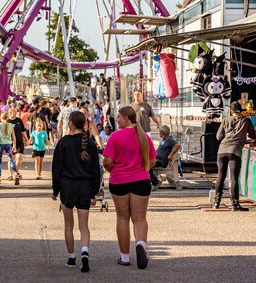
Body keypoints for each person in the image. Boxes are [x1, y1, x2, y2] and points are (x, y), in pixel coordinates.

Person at [103, 106, 156, 270]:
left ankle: (125, 257)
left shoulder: (115, 136)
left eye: (118, 117)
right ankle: (140, 244)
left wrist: (112, 170)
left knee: (122, 218)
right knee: (140, 218)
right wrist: (142, 169)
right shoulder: (144, 137)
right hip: (141, 180)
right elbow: (152, 161)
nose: (116, 120)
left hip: (119, 181)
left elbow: (107, 161)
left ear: (126, 118)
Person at [52, 111, 101, 273]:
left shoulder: (63, 142)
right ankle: (85, 253)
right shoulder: (91, 144)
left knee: (68, 224)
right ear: (84, 124)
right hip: (84, 186)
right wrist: (94, 193)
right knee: (84, 226)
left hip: (67, 186)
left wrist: (55, 190)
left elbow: (56, 169)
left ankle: (72, 257)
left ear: (71, 124)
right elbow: (95, 171)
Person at [213, 101, 256, 211]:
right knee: (233, 178)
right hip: (235, 151)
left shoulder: (226, 120)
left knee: (220, 176)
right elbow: (252, 136)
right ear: (241, 110)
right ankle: (235, 204)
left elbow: (218, 137)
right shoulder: (246, 120)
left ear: (230, 111)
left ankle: (216, 202)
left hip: (222, 151)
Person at [149, 125, 181, 190]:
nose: (159, 133)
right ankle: (153, 181)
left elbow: (178, 145)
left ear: (162, 132)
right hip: (157, 159)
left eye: (160, 132)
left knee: (146, 165)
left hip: (161, 162)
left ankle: (155, 182)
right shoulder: (164, 140)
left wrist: (171, 154)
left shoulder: (169, 139)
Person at [0, 112, 21, 185]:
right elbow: (14, 137)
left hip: (0, 145)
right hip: (9, 145)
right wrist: (14, 145)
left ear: (1, 119)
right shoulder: (11, 126)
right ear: (8, 118)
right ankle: (16, 174)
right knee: (11, 160)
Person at [8, 108, 28, 180]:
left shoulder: (19, 120)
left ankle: (16, 172)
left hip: (19, 142)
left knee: (20, 157)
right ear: (10, 113)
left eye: (16, 112)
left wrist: (26, 139)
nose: (16, 113)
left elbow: (23, 131)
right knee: (11, 159)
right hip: (10, 144)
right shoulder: (7, 121)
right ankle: (10, 175)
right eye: (14, 112)